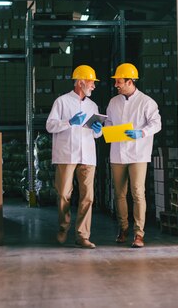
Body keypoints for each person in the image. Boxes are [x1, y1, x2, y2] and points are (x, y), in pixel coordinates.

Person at [46, 65, 103, 249]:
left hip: (87, 155)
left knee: (88, 197)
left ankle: (82, 235)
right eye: (91, 82)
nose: (93, 86)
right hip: (66, 155)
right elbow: (50, 126)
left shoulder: (92, 106)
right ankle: (63, 228)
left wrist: (98, 131)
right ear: (81, 82)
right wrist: (69, 122)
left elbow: (96, 134)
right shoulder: (61, 102)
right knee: (63, 194)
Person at [105, 63, 161, 248]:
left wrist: (141, 133)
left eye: (119, 82)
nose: (116, 85)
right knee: (119, 194)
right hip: (117, 153)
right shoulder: (114, 102)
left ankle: (139, 234)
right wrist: (103, 129)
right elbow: (109, 124)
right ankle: (123, 228)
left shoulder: (146, 102)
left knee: (138, 192)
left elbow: (156, 124)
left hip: (138, 153)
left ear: (130, 82)